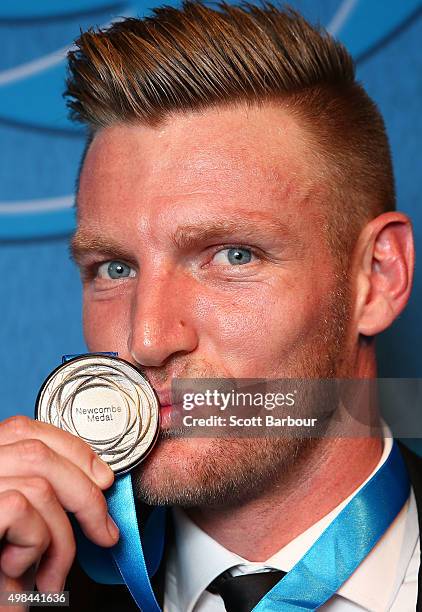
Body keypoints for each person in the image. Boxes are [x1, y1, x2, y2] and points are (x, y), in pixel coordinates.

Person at [0, 1, 418, 610]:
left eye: (233, 257)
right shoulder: (38, 592)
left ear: (376, 278)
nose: (145, 339)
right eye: (114, 269)